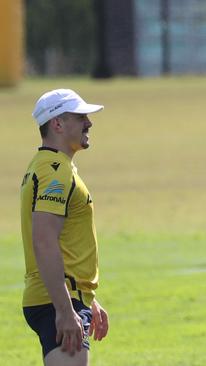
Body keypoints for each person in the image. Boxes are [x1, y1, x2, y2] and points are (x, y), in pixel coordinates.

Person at [20, 89, 110, 366]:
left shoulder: (47, 166)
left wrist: (85, 297)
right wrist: (64, 308)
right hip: (55, 299)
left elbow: (62, 240)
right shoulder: (55, 171)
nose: (89, 123)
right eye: (80, 117)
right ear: (57, 124)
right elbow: (44, 240)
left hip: (62, 295)